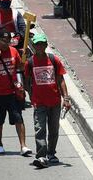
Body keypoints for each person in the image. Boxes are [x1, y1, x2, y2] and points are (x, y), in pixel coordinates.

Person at [24, 33, 70, 169]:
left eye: (42, 44)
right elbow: (26, 81)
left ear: (45, 45)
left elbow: (60, 79)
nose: (39, 47)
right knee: (40, 129)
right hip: (39, 103)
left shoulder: (53, 60)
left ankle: (51, 153)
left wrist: (66, 98)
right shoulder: (30, 63)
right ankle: (41, 155)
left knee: (54, 129)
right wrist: (31, 96)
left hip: (55, 101)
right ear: (34, 45)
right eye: (37, 44)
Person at [0, 31, 31, 156]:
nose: (6, 43)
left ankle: (23, 146)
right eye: (3, 40)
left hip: (12, 92)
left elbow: (20, 67)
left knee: (18, 118)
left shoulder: (13, 51)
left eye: (8, 40)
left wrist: (25, 59)